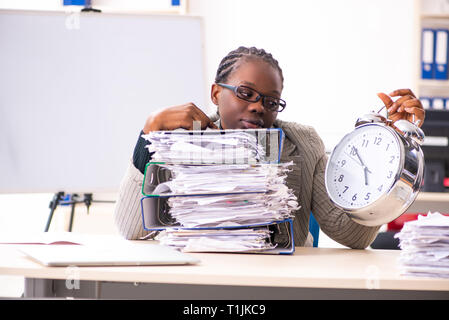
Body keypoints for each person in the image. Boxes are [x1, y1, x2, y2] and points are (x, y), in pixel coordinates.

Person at [113, 46, 425, 248]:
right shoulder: (180, 139)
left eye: (271, 101)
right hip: (196, 277)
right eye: (245, 93)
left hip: (276, 285)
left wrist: (389, 145)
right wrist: (148, 133)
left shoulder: (303, 144)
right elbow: (131, 229)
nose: (258, 107)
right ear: (215, 93)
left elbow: (352, 235)